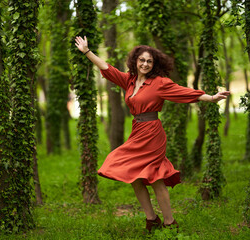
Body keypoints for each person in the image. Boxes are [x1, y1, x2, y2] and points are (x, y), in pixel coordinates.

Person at [74, 36, 230, 233]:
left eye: (149, 61)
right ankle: (151, 218)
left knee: (155, 178)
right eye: (142, 60)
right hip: (137, 132)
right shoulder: (129, 80)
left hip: (153, 134)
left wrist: (212, 98)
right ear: (135, 61)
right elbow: (107, 69)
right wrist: (87, 52)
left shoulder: (159, 83)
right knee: (134, 177)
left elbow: (185, 93)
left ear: (154, 64)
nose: (145, 64)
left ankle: (170, 222)